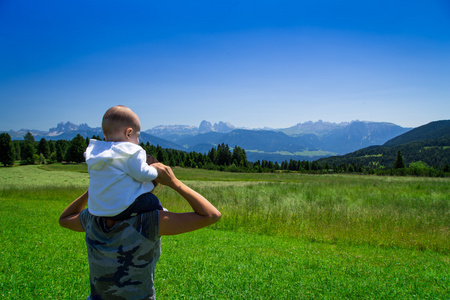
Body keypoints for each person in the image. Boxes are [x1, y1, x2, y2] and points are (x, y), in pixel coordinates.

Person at [59, 162, 221, 300]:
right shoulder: (149, 222)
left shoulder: (93, 218)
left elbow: (65, 219)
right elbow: (211, 215)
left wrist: (97, 188)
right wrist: (173, 182)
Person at [85, 105, 164, 220]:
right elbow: (142, 174)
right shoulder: (130, 152)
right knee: (151, 200)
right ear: (128, 133)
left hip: (97, 209)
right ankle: (162, 213)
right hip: (122, 208)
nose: (137, 141)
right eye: (137, 136)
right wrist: (156, 171)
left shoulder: (96, 154)